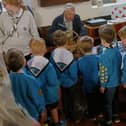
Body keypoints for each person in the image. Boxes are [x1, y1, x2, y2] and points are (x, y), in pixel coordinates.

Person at [25, 38, 61, 126]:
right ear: (45, 50)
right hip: (49, 92)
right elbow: (52, 81)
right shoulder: (48, 64)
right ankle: (56, 123)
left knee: (42, 109)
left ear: (30, 50)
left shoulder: (28, 64)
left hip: (37, 93)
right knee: (53, 108)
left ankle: (45, 123)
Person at [7, 48, 46, 126]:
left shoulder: (7, 79)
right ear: (24, 62)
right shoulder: (30, 80)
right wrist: (42, 111)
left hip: (15, 116)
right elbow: (38, 98)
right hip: (31, 116)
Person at [50, 30, 78, 123]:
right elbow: (73, 71)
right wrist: (74, 79)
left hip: (60, 82)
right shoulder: (69, 55)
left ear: (54, 42)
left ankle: (67, 116)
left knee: (65, 101)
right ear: (66, 41)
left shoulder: (52, 55)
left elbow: (52, 70)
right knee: (73, 101)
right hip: (72, 83)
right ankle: (75, 118)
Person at [98, 24, 122, 126]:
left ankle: (108, 121)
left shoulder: (103, 56)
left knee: (107, 103)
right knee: (115, 100)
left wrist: (102, 85)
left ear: (103, 40)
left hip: (109, 84)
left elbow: (103, 73)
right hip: (117, 81)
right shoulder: (117, 50)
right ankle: (116, 117)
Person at [77, 36, 103, 121]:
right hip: (97, 83)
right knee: (98, 98)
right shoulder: (97, 58)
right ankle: (99, 113)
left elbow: (79, 72)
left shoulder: (80, 61)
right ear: (92, 47)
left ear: (81, 49)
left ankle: (92, 116)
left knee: (90, 101)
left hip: (87, 85)